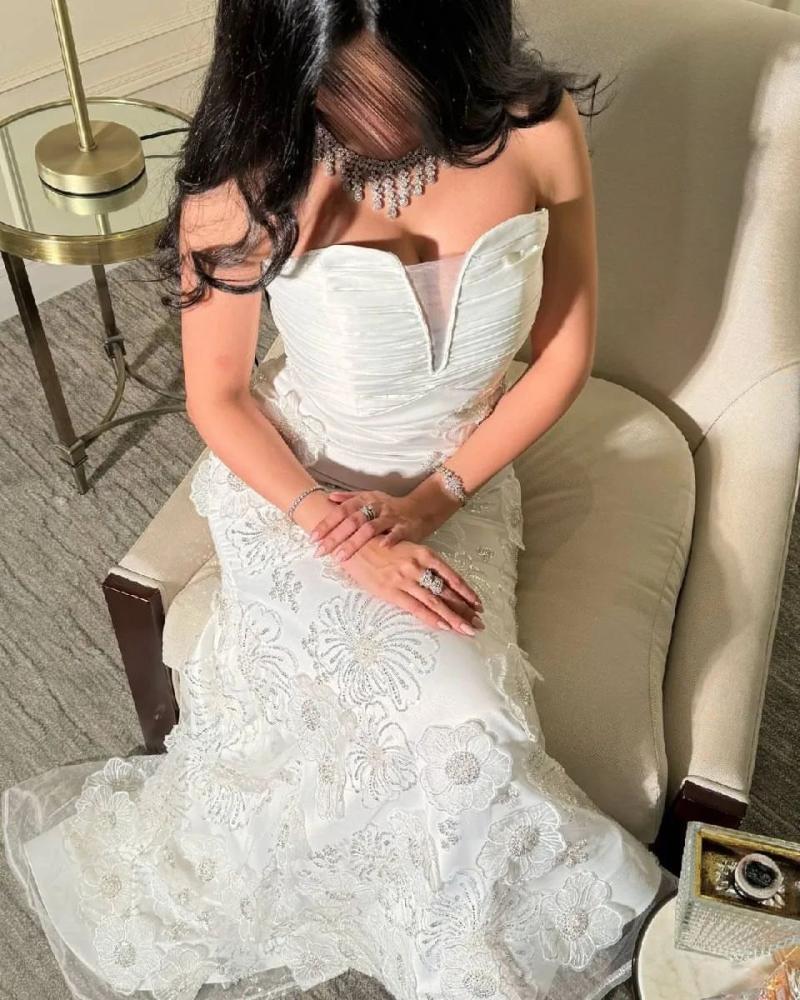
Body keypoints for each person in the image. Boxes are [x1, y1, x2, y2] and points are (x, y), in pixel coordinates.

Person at [2, 2, 678, 998]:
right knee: (449, 714)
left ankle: (448, 945)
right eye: (340, 89)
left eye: (398, 80)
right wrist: (340, 534)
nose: (375, 118)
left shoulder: (535, 127)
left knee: (472, 719)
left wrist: (439, 498)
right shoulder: (242, 186)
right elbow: (218, 398)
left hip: (462, 477)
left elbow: (562, 355)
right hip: (299, 488)